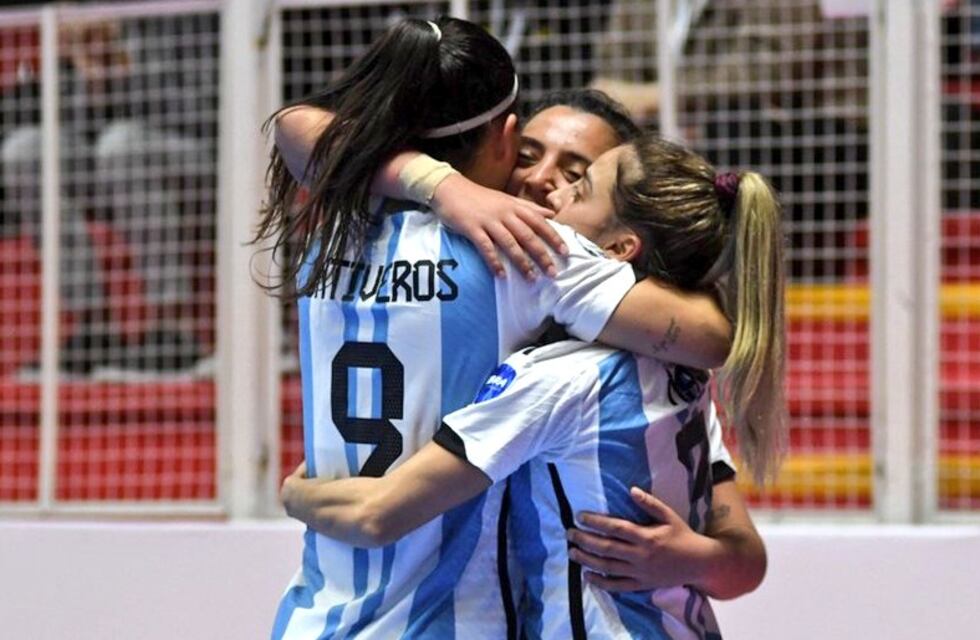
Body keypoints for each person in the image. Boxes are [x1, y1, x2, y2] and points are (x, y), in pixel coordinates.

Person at [260, 17, 732, 640]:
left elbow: (296, 126)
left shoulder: (331, 226)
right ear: (506, 135)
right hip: (454, 622)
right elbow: (707, 337)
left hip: (315, 616)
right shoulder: (527, 253)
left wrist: (438, 185)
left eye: (577, 177)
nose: (542, 183)